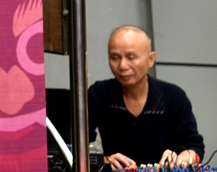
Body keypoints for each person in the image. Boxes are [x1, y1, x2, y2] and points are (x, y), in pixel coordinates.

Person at [88, 25, 205, 169]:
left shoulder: (174, 97)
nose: (122, 66)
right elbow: (74, 145)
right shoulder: (99, 94)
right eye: (115, 58)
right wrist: (103, 161)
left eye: (131, 57)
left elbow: (194, 146)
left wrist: (183, 157)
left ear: (151, 59)